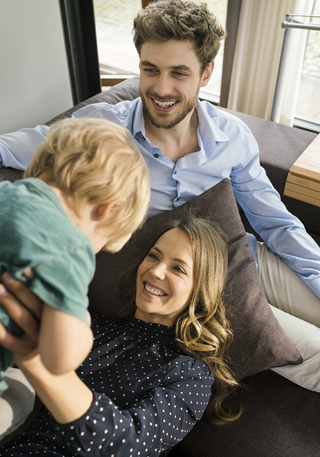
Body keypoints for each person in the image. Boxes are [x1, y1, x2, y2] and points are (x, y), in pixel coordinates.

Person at [0, 1, 319, 324]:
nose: (161, 88)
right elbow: (12, 147)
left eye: (179, 73)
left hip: (241, 257)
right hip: (187, 287)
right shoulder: (99, 132)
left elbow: (276, 223)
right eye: (150, 69)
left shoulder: (233, 138)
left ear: (205, 73)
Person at [0, 217, 239, 457]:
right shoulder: (93, 327)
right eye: (153, 256)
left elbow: (125, 447)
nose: (157, 271)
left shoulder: (191, 376)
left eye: (178, 269)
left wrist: (35, 362)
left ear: (201, 289)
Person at [0, 117, 150, 394]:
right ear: (108, 209)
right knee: (20, 399)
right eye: (102, 244)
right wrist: (82, 325)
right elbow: (58, 359)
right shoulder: (71, 245)